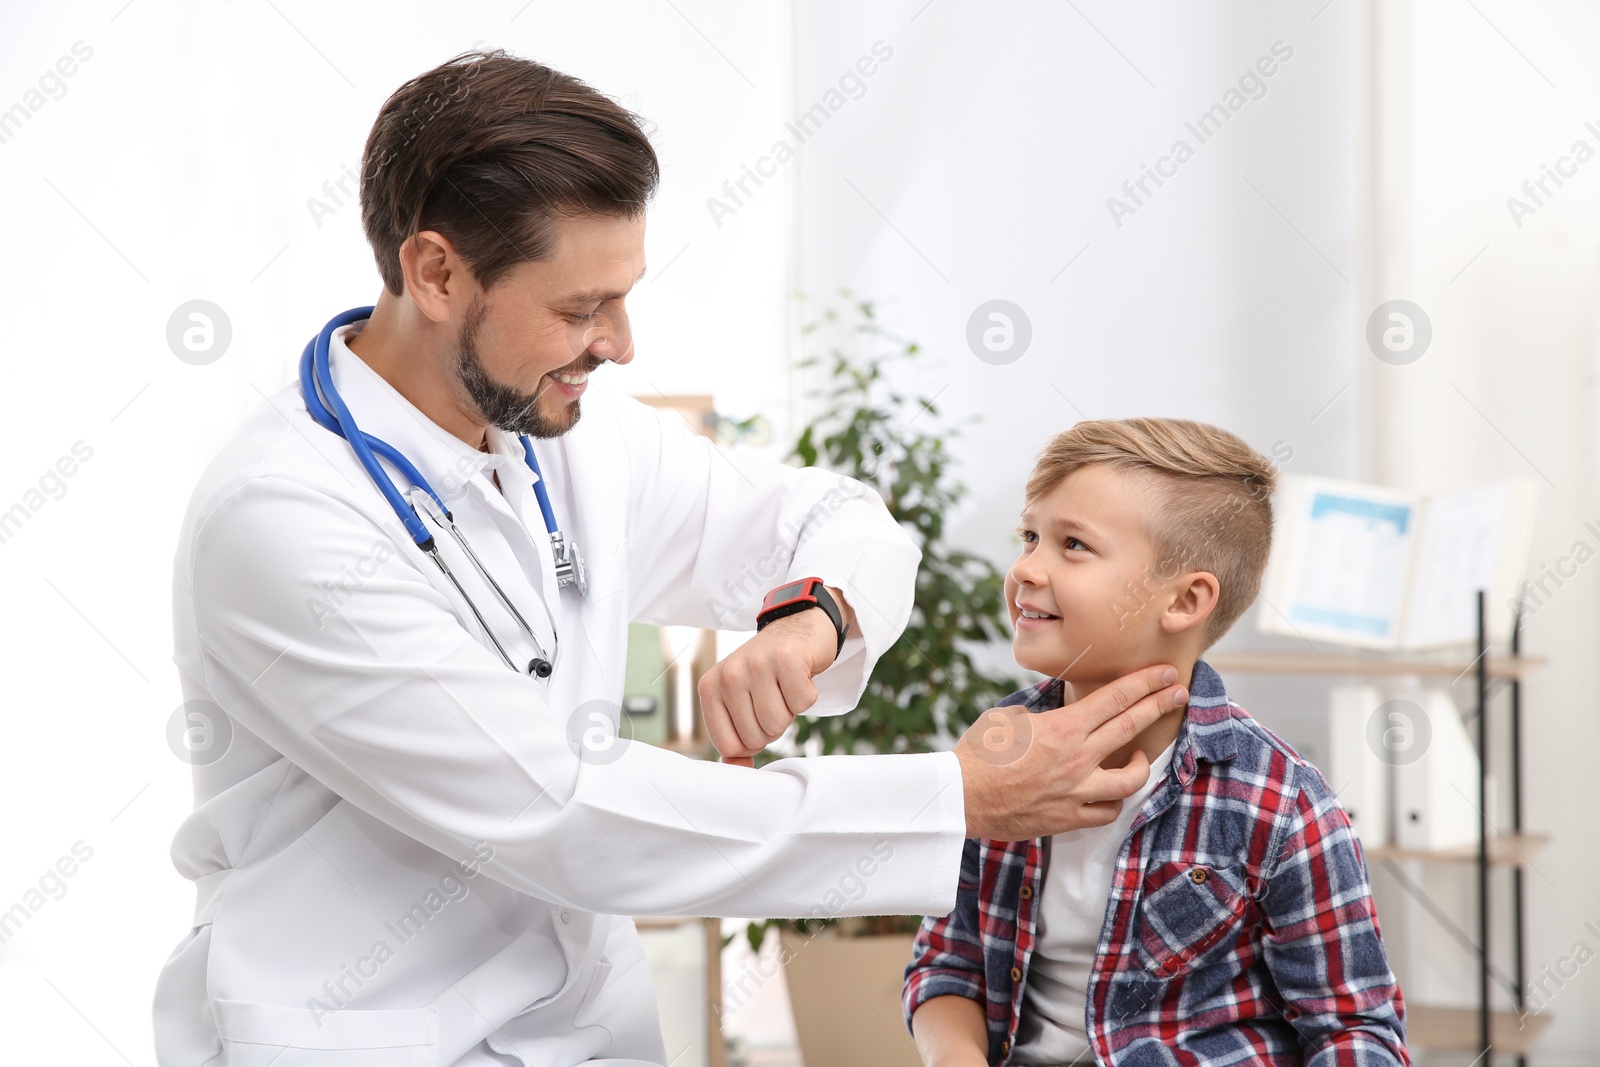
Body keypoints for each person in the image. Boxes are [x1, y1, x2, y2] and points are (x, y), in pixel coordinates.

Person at [152, 51, 1189, 1067]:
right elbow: (559, 809)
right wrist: (951, 796)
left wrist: (810, 613)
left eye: (623, 293)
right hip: (368, 1033)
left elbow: (836, 514)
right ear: (434, 271)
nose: (620, 342)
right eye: (578, 307)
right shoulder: (284, 516)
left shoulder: (570, 435)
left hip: (587, 1029)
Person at [903, 418, 1408, 1066]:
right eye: (1029, 536)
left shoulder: (1283, 806)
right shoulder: (993, 754)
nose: (1026, 567)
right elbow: (948, 963)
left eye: (1073, 544)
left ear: (1186, 600)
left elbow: (1355, 1031)